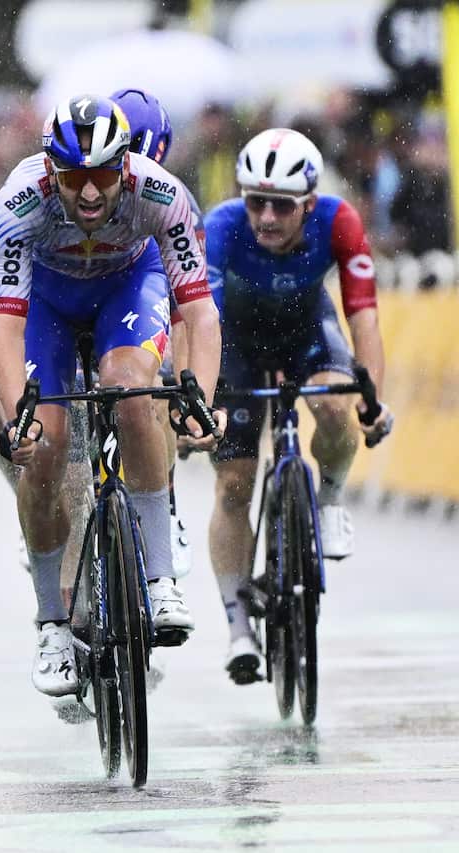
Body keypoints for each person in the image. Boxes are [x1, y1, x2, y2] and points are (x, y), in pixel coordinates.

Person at [0, 94, 225, 699]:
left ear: (126, 166)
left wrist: (201, 399)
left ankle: (161, 579)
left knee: (131, 387)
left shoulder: (161, 194)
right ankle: (52, 624)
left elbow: (199, 312)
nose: (90, 193)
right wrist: (20, 420)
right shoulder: (20, 201)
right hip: (48, 303)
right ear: (51, 171)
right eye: (73, 179)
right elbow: (5, 326)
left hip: (127, 287)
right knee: (45, 449)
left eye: (102, 176)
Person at [205, 128, 394, 684]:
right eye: (256, 201)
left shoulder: (339, 221)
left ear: (309, 203)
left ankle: (329, 500)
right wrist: (200, 400)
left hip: (307, 331)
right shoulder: (220, 226)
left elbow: (364, 318)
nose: (266, 217)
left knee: (337, 409)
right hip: (234, 344)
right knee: (234, 483)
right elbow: (200, 321)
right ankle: (239, 628)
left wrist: (371, 401)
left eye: (282, 206)